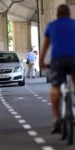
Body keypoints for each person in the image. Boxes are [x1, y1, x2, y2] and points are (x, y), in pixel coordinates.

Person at [40, 4, 75, 133]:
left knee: (55, 88)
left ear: (57, 15)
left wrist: (41, 61)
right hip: (73, 59)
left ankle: (56, 120)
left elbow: (45, 46)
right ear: (69, 14)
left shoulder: (51, 25)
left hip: (57, 61)